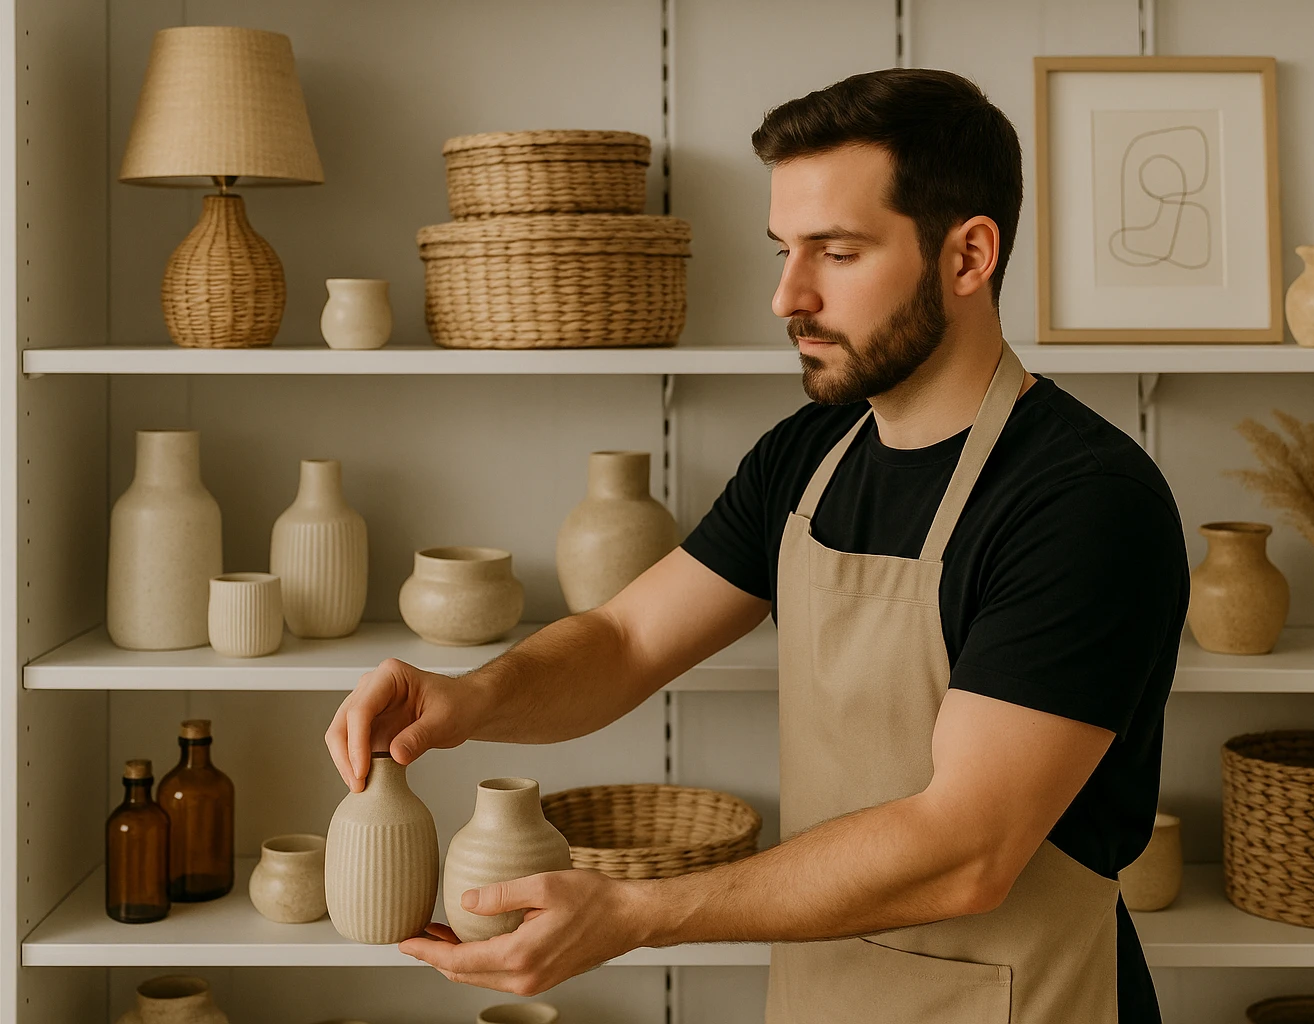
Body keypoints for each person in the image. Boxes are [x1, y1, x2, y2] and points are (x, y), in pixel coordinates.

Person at [326, 67, 1187, 1024]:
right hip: (822, 998)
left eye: (838, 252)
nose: (786, 295)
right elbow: (624, 640)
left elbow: (967, 850)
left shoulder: (1083, 503)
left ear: (969, 256)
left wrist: (638, 915)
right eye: (783, 249)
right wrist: (468, 698)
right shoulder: (807, 456)